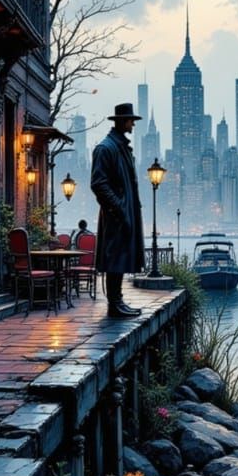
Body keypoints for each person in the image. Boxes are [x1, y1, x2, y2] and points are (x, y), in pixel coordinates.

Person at [90, 103, 145, 318]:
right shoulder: (106, 148)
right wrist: (119, 209)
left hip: (124, 213)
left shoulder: (120, 147)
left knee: (120, 257)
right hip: (116, 216)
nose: (133, 125)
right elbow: (99, 184)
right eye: (131, 121)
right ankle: (114, 304)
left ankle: (118, 300)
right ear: (123, 121)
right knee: (115, 258)